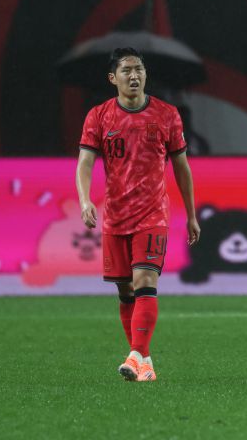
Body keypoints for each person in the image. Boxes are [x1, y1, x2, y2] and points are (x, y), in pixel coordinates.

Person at [76, 47, 201, 381]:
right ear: (112, 78)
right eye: (127, 70)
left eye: (139, 69)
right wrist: (85, 199)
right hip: (115, 215)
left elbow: (182, 167)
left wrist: (191, 214)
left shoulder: (167, 115)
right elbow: (85, 162)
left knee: (145, 280)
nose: (134, 76)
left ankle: (134, 357)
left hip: (152, 213)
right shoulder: (99, 116)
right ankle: (143, 360)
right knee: (125, 290)